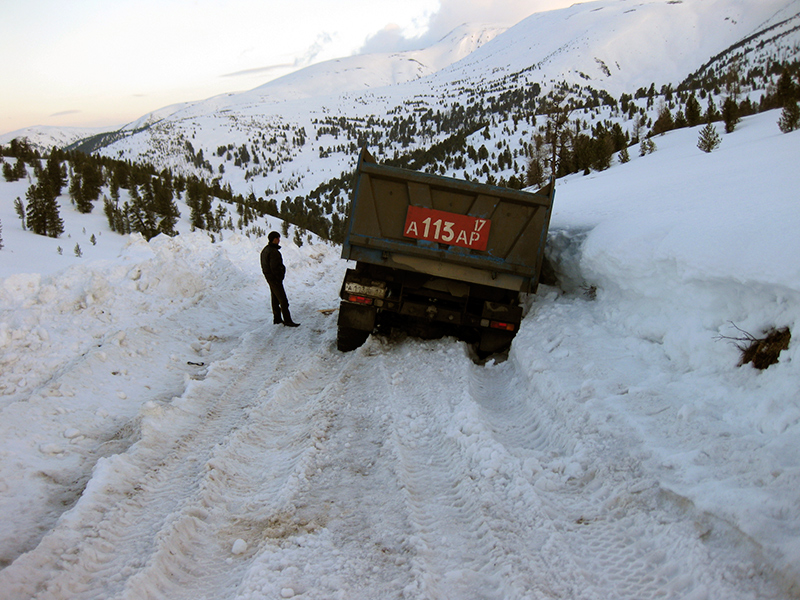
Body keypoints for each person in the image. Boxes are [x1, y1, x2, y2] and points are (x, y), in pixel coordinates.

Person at [260, 231, 299, 327]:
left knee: (275, 299)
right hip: (275, 279)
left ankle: (277, 319)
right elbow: (275, 267)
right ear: (274, 239)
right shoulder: (273, 252)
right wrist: (280, 275)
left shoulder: (265, 250)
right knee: (283, 300)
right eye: (278, 238)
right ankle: (287, 320)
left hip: (269, 278)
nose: (279, 240)